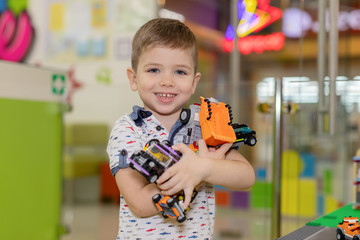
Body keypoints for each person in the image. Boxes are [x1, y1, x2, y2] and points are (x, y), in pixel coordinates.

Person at [107, 18, 255, 240]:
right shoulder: (129, 129)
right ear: (133, 78)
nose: (167, 81)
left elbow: (246, 177)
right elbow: (138, 203)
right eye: (154, 70)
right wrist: (190, 174)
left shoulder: (203, 124)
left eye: (180, 72)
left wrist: (203, 168)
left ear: (194, 82)